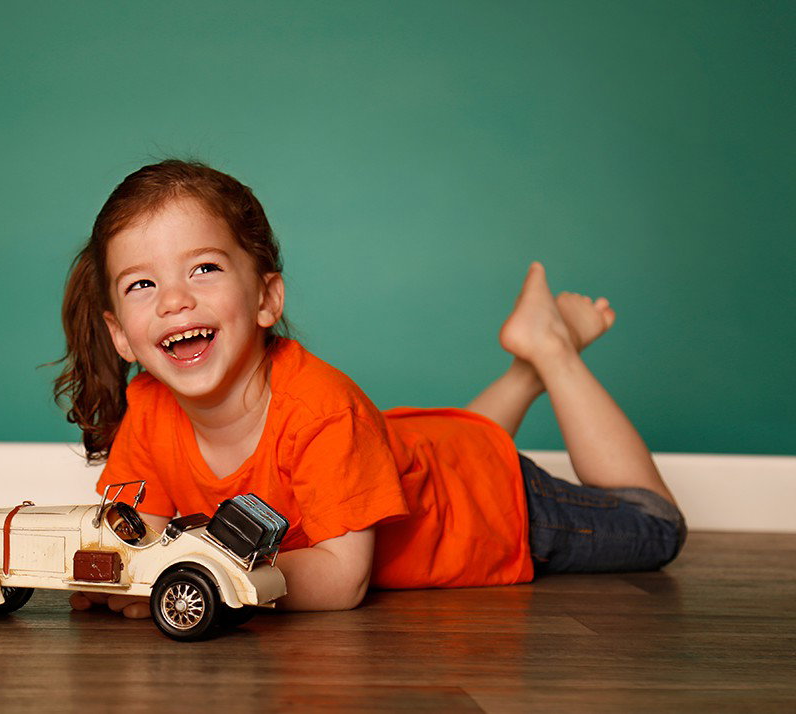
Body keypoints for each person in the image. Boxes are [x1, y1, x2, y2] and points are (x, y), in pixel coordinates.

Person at [54, 160, 686, 619]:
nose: (174, 300)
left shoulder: (323, 408)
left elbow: (339, 578)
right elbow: (140, 535)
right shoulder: (150, 408)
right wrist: (124, 571)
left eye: (204, 268)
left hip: (491, 502)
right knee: (434, 454)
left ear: (267, 297)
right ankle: (523, 372)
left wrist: (209, 576)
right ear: (122, 336)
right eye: (142, 284)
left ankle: (551, 352)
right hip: (411, 448)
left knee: (656, 528)